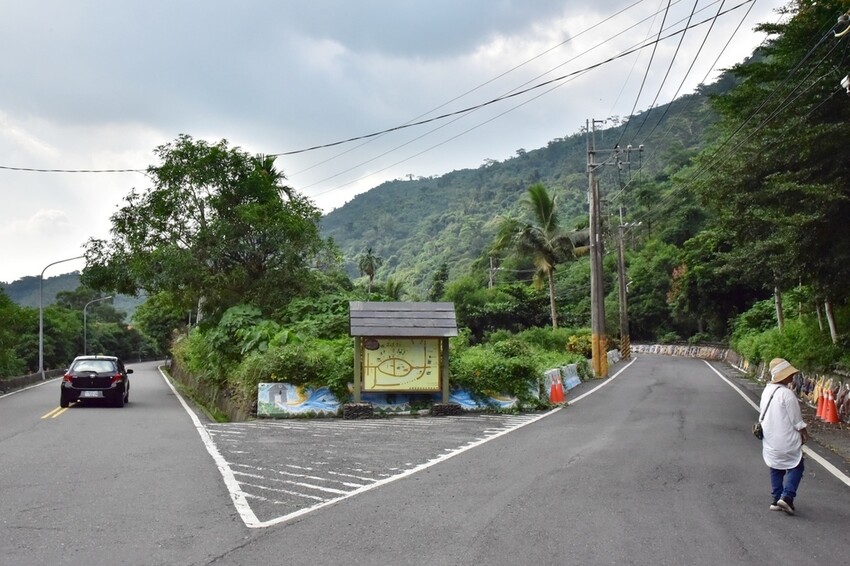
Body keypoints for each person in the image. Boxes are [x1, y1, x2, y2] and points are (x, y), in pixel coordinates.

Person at [760, 358, 809, 515]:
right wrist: (804, 432)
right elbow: (796, 420)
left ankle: (776, 499)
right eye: (789, 374)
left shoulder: (767, 391)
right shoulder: (787, 394)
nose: (792, 377)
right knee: (797, 465)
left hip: (769, 438)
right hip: (786, 440)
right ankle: (787, 497)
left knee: (775, 466)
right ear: (783, 376)